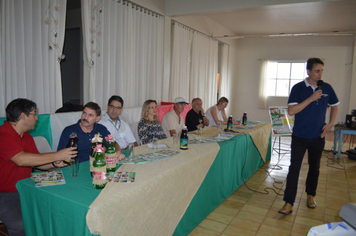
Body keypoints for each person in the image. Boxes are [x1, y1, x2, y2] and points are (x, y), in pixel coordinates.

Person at [0, 98, 77, 236]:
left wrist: (54, 163)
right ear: (23, 116)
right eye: (34, 114)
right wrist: (57, 155)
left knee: (52, 213)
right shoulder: (3, 134)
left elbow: (36, 162)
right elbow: (21, 159)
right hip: (4, 194)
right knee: (21, 225)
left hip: (25, 188)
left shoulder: (27, 137)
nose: (36, 118)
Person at [278, 58, 339, 215]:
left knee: (315, 168)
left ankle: (311, 195)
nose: (320, 74)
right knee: (294, 168)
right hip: (299, 136)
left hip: (318, 137)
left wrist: (331, 123)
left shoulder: (327, 88)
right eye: (317, 71)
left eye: (322, 71)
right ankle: (288, 202)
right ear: (308, 71)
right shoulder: (298, 88)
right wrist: (311, 98)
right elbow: (291, 111)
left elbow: (335, 106)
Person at [57, 102, 124, 163]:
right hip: (77, 168)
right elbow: (59, 156)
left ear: (97, 118)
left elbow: (114, 144)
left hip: (98, 165)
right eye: (84, 113)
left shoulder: (101, 129)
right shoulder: (69, 131)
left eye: (90, 115)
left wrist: (117, 152)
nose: (85, 117)